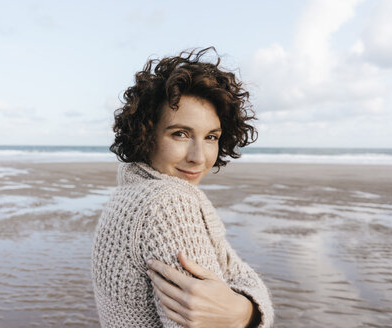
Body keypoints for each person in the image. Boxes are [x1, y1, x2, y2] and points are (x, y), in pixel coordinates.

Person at [91, 47, 274, 327]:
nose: (199, 157)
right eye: (180, 133)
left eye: (211, 137)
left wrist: (242, 312)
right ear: (146, 133)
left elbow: (239, 274)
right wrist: (244, 313)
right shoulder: (168, 203)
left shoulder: (128, 194)